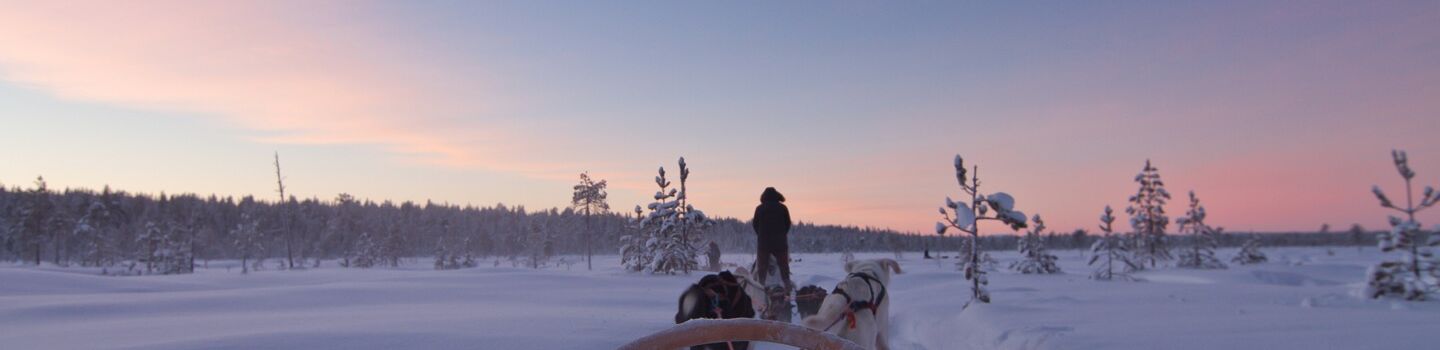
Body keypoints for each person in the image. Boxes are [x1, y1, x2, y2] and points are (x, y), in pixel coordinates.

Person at [752, 187, 793, 290]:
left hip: (763, 244)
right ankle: (787, 285)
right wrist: (782, 235)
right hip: (780, 243)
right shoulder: (783, 208)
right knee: (784, 266)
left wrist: (761, 235)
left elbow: (755, 225)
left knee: (762, 267)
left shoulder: (759, 208)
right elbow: (787, 223)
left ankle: (760, 286)